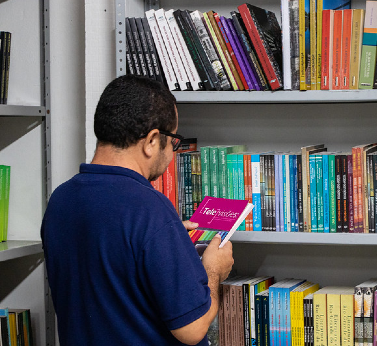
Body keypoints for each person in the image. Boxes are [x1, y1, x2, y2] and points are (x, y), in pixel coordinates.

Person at [41, 75, 234, 345]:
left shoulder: (61, 200)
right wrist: (213, 270)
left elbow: (111, 273)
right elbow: (193, 329)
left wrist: (167, 240)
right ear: (153, 140)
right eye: (173, 141)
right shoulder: (150, 209)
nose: (172, 153)